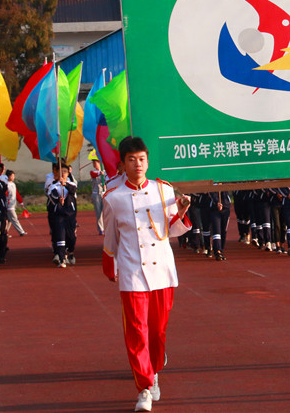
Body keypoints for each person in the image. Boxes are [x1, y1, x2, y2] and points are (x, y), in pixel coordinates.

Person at [102, 136, 191, 412]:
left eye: (141, 159)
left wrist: (183, 211)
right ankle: (144, 386)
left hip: (162, 270)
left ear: (147, 161)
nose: (137, 164)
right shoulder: (113, 198)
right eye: (131, 160)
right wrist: (110, 265)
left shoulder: (164, 190)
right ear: (124, 163)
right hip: (132, 272)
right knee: (137, 331)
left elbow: (171, 231)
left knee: (158, 331)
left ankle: (154, 366)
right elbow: (110, 237)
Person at [48, 166, 78, 267]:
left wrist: (64, 184)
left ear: (68, 173)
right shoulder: (54, 186)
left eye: (65, 171)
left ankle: (70, 253)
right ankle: (61, 259)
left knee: (71, 238)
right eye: (61, 172)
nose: (63, 173)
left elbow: (73, 190)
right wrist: (59, 202)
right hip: (59, 215)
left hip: (70, 215)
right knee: (60, 236)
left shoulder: (71, 183)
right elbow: (52, 198)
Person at [5, 170, 27, 237]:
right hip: (8, 205)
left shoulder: (13, 184)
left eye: (14, 176)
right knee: (14, 218)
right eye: (12, 176)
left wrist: (21, 202)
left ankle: (4, 232)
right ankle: (21, 231)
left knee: (9, 220)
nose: (13, 177)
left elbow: (16, 194)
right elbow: (5, 195)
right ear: (8, 176)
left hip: (13, 204)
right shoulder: (6, 185)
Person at [90, 158, 107, 235]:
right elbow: (94, 175)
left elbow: (108, 180)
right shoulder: (93, 172)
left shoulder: (105, 172)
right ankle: (101, 228)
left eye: (95, 163)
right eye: (93, 163)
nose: (94, 165)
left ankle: (107, 227)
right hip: (96, 193)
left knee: (106, 211)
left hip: (104, 193)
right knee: (98, 211)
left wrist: (105, 186)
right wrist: (100, 173)